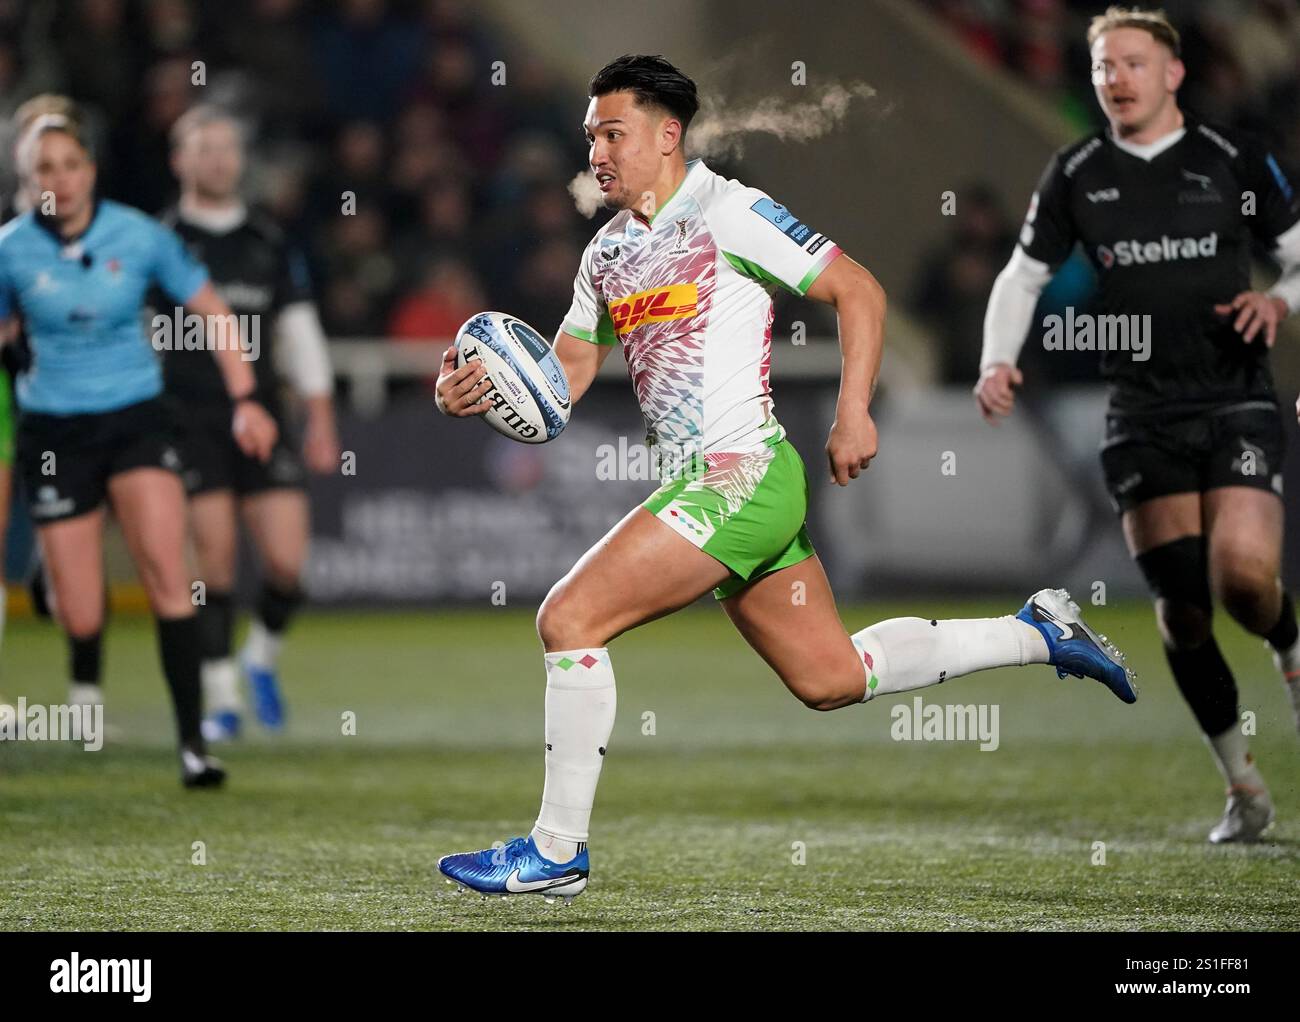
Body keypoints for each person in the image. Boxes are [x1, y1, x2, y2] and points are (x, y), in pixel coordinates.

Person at [434, 54, 1136, 901]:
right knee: (831, 679)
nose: (599, 153)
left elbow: (859, 290)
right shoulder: (607, 254)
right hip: (709, 488)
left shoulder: (727, 213)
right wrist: (481, 392)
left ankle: (556, 851)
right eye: (592, 137)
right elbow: (568, 373)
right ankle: (1038, 631)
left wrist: (854, 411)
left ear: (668, 135)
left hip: (744, 475)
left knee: (568, 618)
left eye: (614, 134)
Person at [975, 7, 1300, 842]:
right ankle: (1243, 788)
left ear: (1173, 73)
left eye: (1130, 63)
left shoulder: (1232, 158)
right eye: (1101, 68)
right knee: (1185, 611)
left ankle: (1289, 648)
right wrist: (997, 360)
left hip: (1235, 400)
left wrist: (1277, 299)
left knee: (1244, 580)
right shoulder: (1077, 170)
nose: (1114, 79)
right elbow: (1022, 275)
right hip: (1140, 416)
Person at [0, 113, 278, 786]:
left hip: (136, 421)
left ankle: (193, 747)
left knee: (167, 575)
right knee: (82, 607)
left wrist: (246, 398)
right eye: (45, 169)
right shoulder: (10, 249)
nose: (59, 180)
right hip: (54, 434)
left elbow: (214, 312)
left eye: (70, 165)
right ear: (26, 180)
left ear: (90, 171)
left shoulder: (139, 235)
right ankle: (77, 664)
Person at [162, 105, 338, 739]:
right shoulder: (159, 242)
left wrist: (318, 415)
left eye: (228, 148)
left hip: (260, 417)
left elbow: (299, 334)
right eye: (203, 148)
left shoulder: (267, 242)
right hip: (187, 421)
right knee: (214, 569)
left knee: (288, 564)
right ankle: (221, 699)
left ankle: (259, 658)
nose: (218, 159)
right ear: (178, 160)